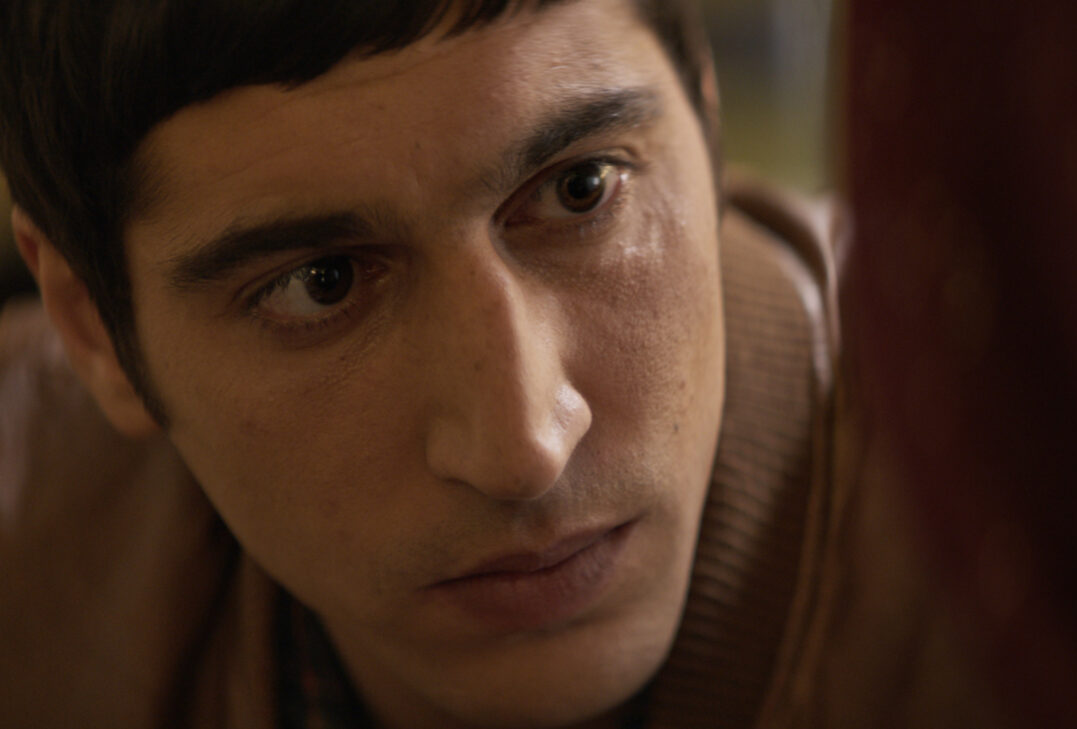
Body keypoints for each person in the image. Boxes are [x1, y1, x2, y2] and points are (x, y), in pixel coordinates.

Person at [0, 1, 868, 727]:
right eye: (321, 283)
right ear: (95, 330)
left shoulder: (953, 532)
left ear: (706, 123)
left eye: (580, 190)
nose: (524, 448)